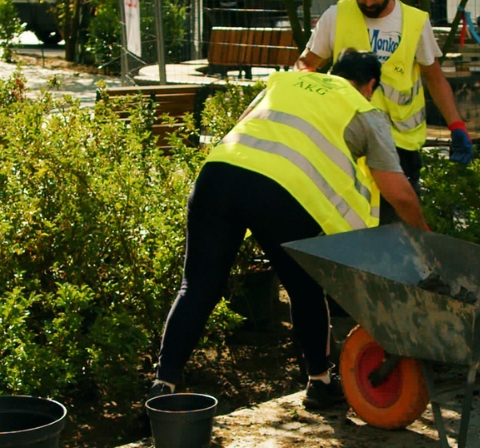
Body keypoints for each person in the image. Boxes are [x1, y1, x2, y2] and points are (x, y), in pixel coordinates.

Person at [154, 51, 427, 410]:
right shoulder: (364, 109)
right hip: (282, 193)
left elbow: (247, 125)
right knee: (304, 288)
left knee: (197, 286)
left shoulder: (284, 81)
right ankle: (320, 382)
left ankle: (163, 385)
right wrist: (425, 240)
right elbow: (399, 193)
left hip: (219, 175)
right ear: (371, 86)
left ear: (334, 72)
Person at [296, 0, 474, 204]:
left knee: (396, 223)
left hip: (399, 144)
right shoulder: (336, 16)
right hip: (347, 139)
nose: (368, 2)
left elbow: (434, 78)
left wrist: (456, 126)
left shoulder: (415, 22)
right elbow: (304, 65)